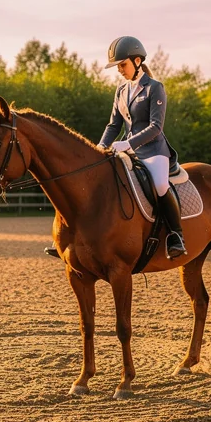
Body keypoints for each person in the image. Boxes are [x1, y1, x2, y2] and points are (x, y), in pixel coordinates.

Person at [45, 36, 186, 261]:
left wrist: (128, 143)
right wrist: (99, 148)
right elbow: (114, 125)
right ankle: (70, 236)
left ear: (137, 60)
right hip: (125, 149)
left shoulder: (154, 88)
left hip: (153, 151)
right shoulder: (121, 91)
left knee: (160, 184)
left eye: (123, 65)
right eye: (118, 66)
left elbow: (156, 127)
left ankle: (175, 236)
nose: (120, 70)